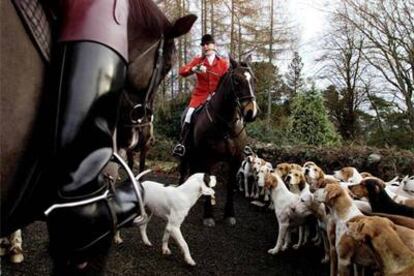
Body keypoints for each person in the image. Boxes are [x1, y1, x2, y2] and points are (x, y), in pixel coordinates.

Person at [172, 34, 229, 157]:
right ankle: (182, 144)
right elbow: (182, 71)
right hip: (200, 96)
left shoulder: (223, 63)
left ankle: (235, 143)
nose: (206, 47)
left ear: (214, 45)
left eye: (208, 44)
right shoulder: (198, 60)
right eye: (203, 45)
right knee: (187, 115)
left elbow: (227, 81)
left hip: (216, 97)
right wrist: (194, 69)